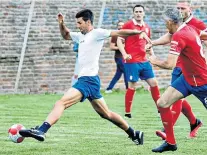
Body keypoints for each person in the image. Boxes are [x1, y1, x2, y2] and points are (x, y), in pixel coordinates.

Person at [19, 9, 151, 145]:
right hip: (90, 81)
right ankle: (134, 133)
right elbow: (65, 35)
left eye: (80, 23)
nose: (78, 25)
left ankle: (41, 130)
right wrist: (61, 23)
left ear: (88, 22)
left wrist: (138, 32)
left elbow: (119, 32)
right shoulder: (80, 36)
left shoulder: (97, 33)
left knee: (61, 103)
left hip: (88, 80)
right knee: (106, 114)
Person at [150, 8, 207, 153]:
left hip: (202, 82)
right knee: (162, 103)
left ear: (170, 22)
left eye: (165, 22)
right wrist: (152, 43)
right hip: (187, 79)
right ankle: (170, 143)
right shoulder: (190, 28)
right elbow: (203, 35)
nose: (164, 25)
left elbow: (170, 65)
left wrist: (154, 60)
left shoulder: (180, 36)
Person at [117, 5, 160, 118]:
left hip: (144, 61)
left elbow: (147, 44)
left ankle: (160, 107)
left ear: (144, 13)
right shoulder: (128, 25)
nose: (138, 13)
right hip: (132, 61)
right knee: (132, 86)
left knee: (154, 83)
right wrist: (125, 54)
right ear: (133, 13)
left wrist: (152, 55)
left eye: (140, 11)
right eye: (136, 12)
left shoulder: (146, 27)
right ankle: (127, 112)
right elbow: (119, 40)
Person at [105, 21, 128, 93]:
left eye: (122, 25)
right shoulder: (115, 35)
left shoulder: (127, 35)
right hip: (119, 57)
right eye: (119, 25)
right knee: (126, 72)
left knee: (118, 74)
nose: (121, 27)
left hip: (124, 57)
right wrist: (121, 47)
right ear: (117, 26)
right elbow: (111, 47)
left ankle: (109, 89)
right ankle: (128, 89)